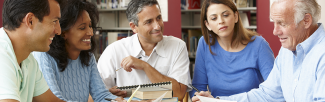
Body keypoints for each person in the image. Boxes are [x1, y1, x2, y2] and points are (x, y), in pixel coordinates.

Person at [192, 0, 325, 101]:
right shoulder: (287, 51)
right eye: (274, 22)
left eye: (282, 24)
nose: (275, 31)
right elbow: (268, 94)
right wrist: (218, 100)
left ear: (306, 20)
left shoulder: (321, 54)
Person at [97, 0, 191, 100]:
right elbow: (94, 96)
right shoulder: (114, 50)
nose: (157, 26)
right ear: (134, 27)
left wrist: (145, 66)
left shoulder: (177, 46)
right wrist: (111, 98)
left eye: (159, 18)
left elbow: (179, 94)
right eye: (149, 22)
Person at [32, 0, 125, 102]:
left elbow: (101, 95)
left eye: (90, 26)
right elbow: (55, 99)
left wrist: (116, 100)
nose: (90, 32)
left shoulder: (88, 57)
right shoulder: (44, 56)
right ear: (63, 32)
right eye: (82, 28)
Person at [189, 0, 274, 98]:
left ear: (236, 17)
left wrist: (220, 100)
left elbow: (274, 90)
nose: (221, 21)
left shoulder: (259, 45)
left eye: (225, 15)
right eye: (214, 18)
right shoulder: (204, 43)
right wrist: (199, 97)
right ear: (207, 25)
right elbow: (198, 87)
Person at [0, 0, 64, 101]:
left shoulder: (28, 60)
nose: (59, 31)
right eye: (54, 21)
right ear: (30, 20)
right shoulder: (2, 55)